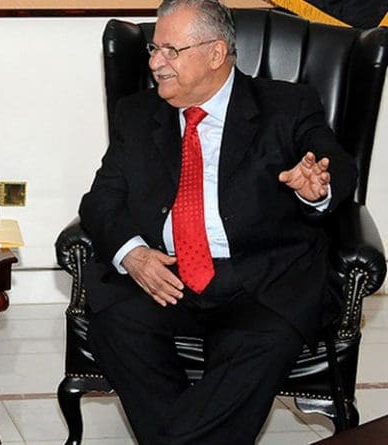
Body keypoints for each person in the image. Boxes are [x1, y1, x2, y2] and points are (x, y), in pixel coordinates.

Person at [79, 0, 358, 443]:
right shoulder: (137, 114)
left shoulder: (286, 105)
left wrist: (318, 185)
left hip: (261, 278)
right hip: (164, 272)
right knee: (115, 325)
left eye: (171, 50)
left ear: (215, 54)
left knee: (256, 345)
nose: (155, 62)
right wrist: (132, 256)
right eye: (154, 48)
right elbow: (100, 201)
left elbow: (335, 164)